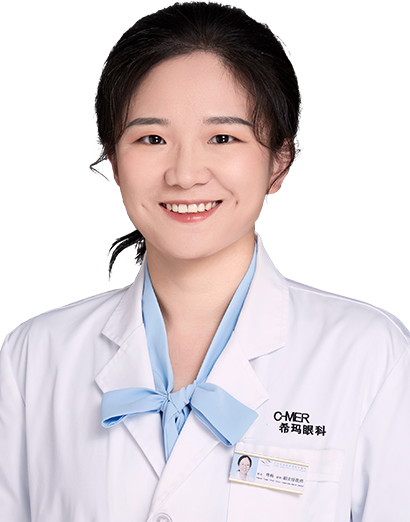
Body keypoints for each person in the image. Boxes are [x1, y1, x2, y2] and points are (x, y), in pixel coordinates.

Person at [0, 2, 409, 521]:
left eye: (223, 138)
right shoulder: (34, 357)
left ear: (279, 161)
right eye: (152, 138)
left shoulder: (371, 356)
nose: (185, 173)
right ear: (114, 159)